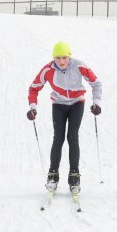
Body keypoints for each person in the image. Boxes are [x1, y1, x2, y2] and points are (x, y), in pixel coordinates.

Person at [27, 42, 102, 194]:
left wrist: (96, 103)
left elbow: (96, 84)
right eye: (58, 58)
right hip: (59, 105)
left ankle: (74, 175)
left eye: (65, 58)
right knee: (58, 137)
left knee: (73, 136)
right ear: (53, 57)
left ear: (70, 56)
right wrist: (33, 108)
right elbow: (34, 88)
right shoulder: (48, 69)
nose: (61, 62)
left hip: (77, 103)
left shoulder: (79, 66)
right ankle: (53, 175)